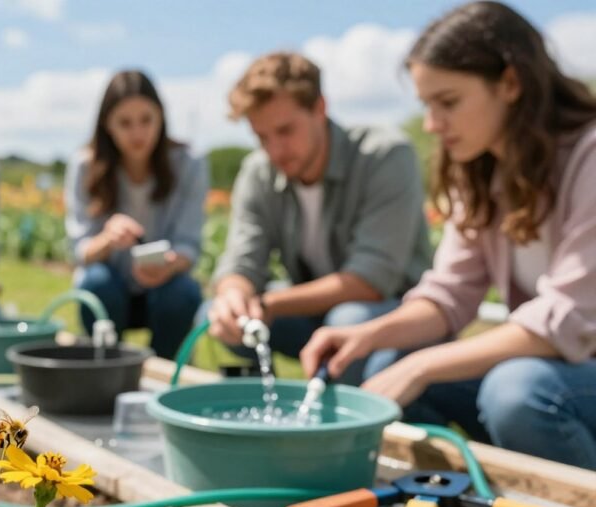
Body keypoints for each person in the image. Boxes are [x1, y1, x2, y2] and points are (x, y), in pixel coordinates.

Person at [301, 1, 596, 470]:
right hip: (551, 368)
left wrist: (421, 365)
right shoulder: (479, 170)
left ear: (511, 83)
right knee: (385, 366)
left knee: (516, 392)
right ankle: (469, 490)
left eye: (449, 102)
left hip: (570, 373)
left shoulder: (589, 155)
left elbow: (566, 320)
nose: (433, 124)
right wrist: (368, 334)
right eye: (427, 105)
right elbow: (449, 294)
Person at [206, 52, 433, 384]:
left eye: (285, 130)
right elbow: (241, 259)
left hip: (392, 314)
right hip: (310, 314)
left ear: (319, 108)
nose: (275, 150)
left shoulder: (383, 156)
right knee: (219, 317)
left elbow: (370, 281)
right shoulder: (259, 172)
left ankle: (342, 427)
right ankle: (258, 418)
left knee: (347, 318)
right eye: (262, 137)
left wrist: (267, 304)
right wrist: (233, 295)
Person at [64, 70, 208, 359]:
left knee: (183, 292)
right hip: (110, 291)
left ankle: (170, 376)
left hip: (165, 291)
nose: (137, 133)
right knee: (96, 283)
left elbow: (189, 245)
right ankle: (103, 371)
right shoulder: (85, 166)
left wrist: (169, 264)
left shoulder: (189, 164)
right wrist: (106, 238)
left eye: (146, 120)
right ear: (107, 125)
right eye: (125, 123)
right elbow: (80, 251)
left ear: (161, 118)